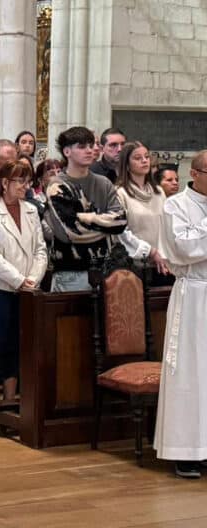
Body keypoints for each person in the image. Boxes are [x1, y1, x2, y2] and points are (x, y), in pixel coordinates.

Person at [153, 149, 207, 479]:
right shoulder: (175, 205)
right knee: (189, 371)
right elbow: (183, 250)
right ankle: (185, 450)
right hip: (193, 295)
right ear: (196, 173)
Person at [0, 159, 47, 402]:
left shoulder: (31, 209)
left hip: (26, 288)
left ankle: (11, 397)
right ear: (5, 183)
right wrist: (17, 280)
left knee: (17, 341)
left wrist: (33, 279)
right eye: (20, 181)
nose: (25, 186)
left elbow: (40, 249)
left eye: (28, 181)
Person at [44, 126, 127, 292]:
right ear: (67, 151)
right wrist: (105, 224)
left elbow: (121, 221)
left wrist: (86, 218)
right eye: (82, 147)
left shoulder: (103, 183)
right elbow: (70, 232)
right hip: (71, 272)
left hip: (105, 269)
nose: (90, 150)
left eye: (91, 145)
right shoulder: (57, 185)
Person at [115, 141, 169, 281]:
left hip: (161, 263)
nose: (144, 160)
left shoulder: (159, 192)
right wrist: (150, 251)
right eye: (138, 158)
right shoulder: (120, 194)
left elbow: (168, 226)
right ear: (126, 165)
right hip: (134, 266)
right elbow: (121, 233)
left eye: (146, 156)